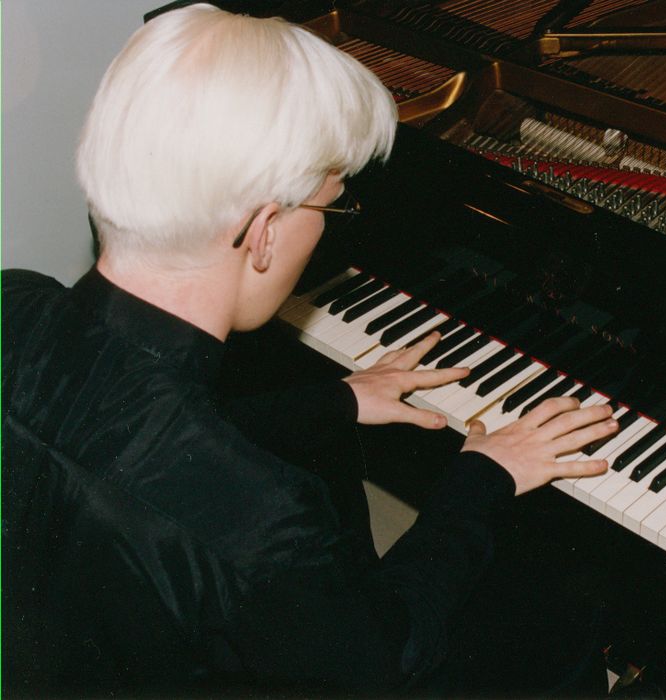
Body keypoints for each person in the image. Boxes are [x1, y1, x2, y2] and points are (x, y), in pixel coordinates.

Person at [1, 4, 619, 697]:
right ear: (264, 231)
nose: (329, 227)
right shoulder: (262, 520)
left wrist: (338, 400)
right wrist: (484, 477)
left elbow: (129, 438)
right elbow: (388, 657)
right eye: (331, 206)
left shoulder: (15, 302)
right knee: (558, 614)